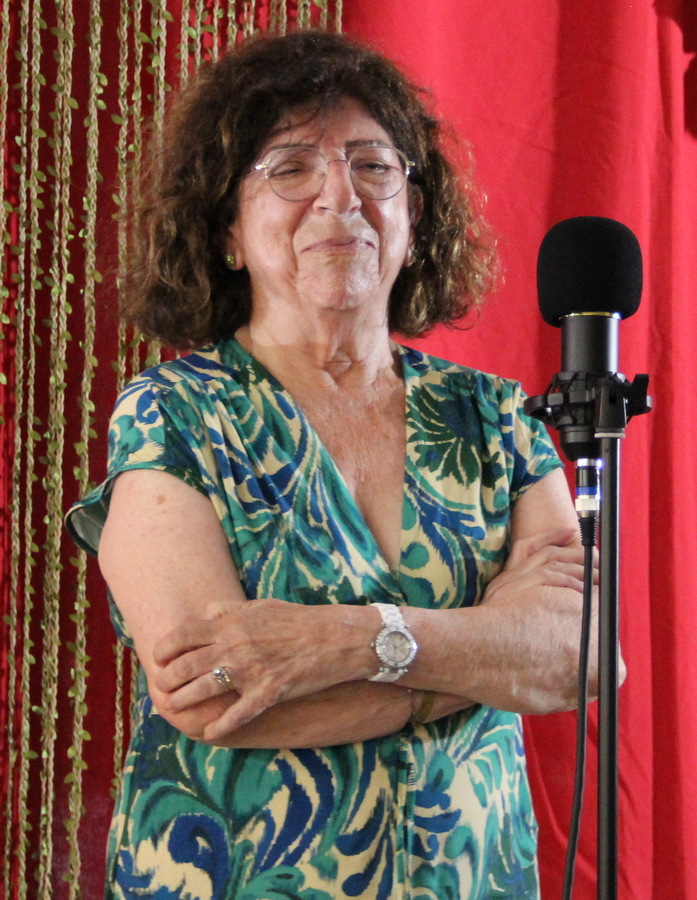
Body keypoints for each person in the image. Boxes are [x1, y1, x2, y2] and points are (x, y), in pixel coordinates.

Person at [67, 29, 598, 900]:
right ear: (228, 230)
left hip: (468, 877)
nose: (338, 197)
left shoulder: (494, 416)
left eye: (372, 165)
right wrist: (479, 662)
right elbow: (212, 698)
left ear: (413, 215)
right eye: (290, 168)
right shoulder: (175, 415)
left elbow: (580, 653)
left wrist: (341, 642)